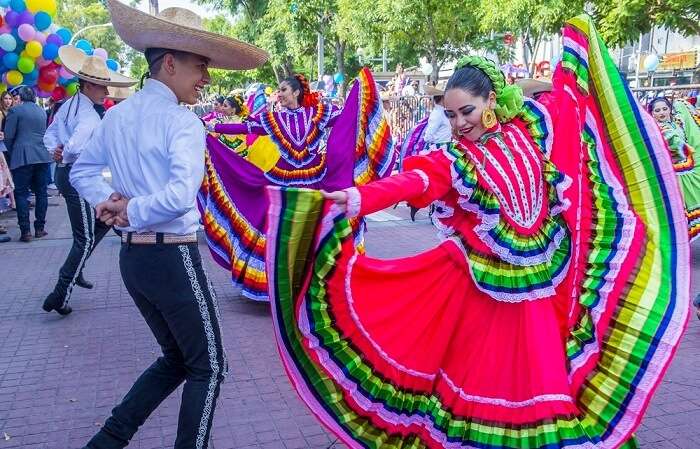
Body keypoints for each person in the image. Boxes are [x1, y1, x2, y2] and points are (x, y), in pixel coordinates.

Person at [263, 15, 689, 449]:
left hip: (541, 301)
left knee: (545, 388)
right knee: (489, 390)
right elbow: (417, 182)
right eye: (450, 115)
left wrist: (577, 49)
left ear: (491, 102)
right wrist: (358, 198)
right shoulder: (457, 159)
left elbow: (565, 103)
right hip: (484, 300)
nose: (459, 122)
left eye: (466, 110)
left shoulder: (531, 132)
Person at [70, 1, 268, 447]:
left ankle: (108, 439)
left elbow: (80, 171)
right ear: (171, 63)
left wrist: (111, 205)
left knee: (178, 359)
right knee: (209, 366)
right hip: (171, 255)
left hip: (134, 260)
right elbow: (180, 195)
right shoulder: (182, 122)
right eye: (201, 66)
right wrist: (127, 209)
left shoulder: (117, 116)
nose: (207, 79)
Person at [199, 69, 395, 300]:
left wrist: (360, 92)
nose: (279, 94)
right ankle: (281, 284)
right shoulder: (273, 118)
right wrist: (212, 128)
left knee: (316, 228)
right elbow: (247, 127)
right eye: (278, 90)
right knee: (280, 229)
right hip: (282, 179)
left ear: (296, 92)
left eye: (283, 90)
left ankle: (321, 281)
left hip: (316, 178)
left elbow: (347, 118)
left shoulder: (318, 113)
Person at [42, 45, 137, 316]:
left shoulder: (69, 106)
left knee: (102, 220)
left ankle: (77, 269)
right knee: (84, 238)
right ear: (87, 85)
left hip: (69, 174)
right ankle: (62, 291)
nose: (106, 93)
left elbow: (50, 136)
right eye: (101, 87)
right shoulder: (87, 115)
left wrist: (57, 149)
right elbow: (76, 146)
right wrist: (65, 150)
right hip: (77, 177)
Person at [649, 97, 700, 243]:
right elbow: (672, 140)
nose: (662, 112)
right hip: (671, 178)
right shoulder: (657, 128)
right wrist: (681, 146)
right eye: (657, 110)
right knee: (676, 214)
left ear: (670, 110)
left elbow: (684, 109)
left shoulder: (676, 122)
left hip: (686, 173)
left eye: (665, 109)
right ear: (652, 114)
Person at [4, 86, 50, 242]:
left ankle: (25, 231)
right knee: (41, 192)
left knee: (21, 194)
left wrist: (14, 151)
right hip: (42, 155)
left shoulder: (16, 111)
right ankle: (40, 228)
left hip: (22, 156)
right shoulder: (41, 111)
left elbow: (8, 136)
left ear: (21, 97)